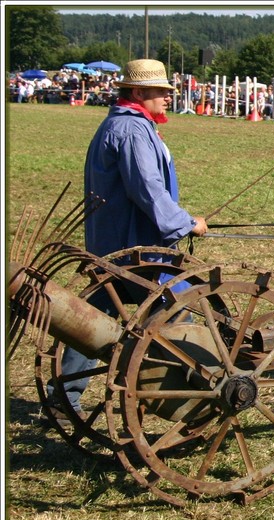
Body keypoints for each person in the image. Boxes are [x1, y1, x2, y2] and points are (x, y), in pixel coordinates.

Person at [45, 59, 208, 428]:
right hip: (136, 244)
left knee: (93, 315)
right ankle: (190, 387)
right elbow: (147, 189)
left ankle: (65, 399)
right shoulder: (133, 130)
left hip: (114, 240)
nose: (168, 98)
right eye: (161, 92)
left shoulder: (120, 124)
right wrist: (185, 223)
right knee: (176, 306)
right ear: (138, 93)